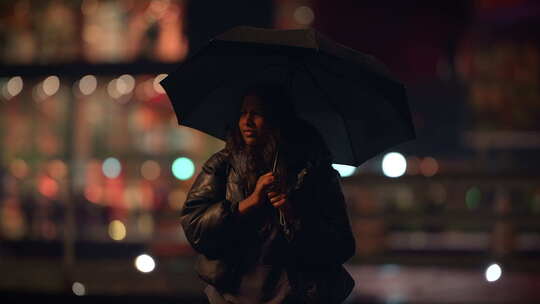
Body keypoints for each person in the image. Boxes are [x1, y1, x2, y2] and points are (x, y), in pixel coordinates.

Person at [180, 84, 356, 303]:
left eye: (257, 113)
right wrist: (246, 205)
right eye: (243, 113)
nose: (247, 121)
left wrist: (294, 216)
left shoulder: (314, 170)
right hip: (232, 295)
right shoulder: (223, 165)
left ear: (278, 118)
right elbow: (195, 226)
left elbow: (342, 246)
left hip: (295, 295)